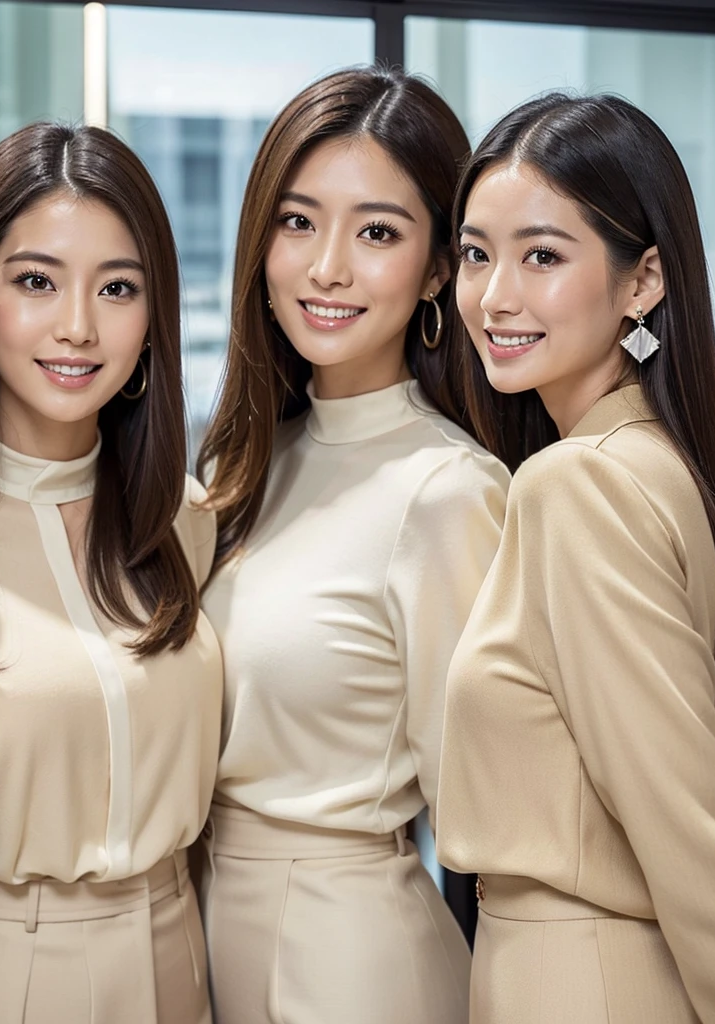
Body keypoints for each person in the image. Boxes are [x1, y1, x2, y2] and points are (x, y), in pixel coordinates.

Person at [197, 67, 510, 1024]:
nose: (326, 265)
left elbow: (485, 817)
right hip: (200, 929)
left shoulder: (448, 490)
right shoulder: (247, 463)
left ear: (436, 271)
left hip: (346, 959)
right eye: (297, 222)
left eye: (377, 232)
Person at [437, 92, 715, 1024]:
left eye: (542, 256)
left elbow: (690, 819)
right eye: (476, 254)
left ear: (643, 280)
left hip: (581, 978)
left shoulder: (579, 485)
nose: (495, 296)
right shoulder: (653, 463)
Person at [0, 122, 221, 1024]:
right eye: (36, 282)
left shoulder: (183, 522)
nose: (78, 327)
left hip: (179, 958)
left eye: (117, 288)